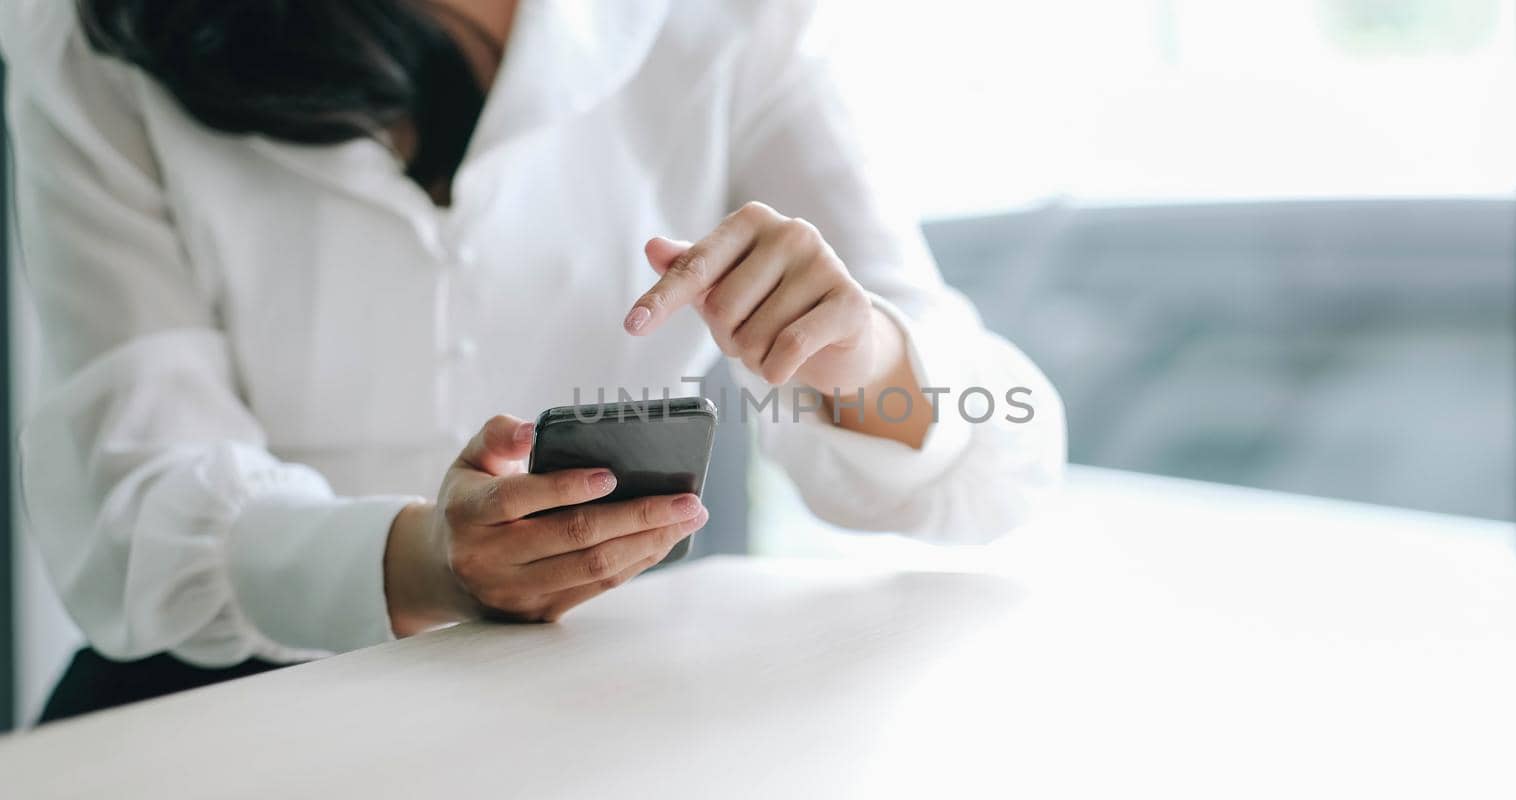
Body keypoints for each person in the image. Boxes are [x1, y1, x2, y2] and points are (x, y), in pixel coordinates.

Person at [1, 0, 1065, 721]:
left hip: (589, 716)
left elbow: (1002, 456)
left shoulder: (729, 24)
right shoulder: (92, 38)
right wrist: (423, 561)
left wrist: (862, 350)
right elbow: (132, 491)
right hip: (214, 715)